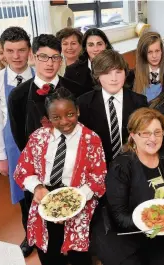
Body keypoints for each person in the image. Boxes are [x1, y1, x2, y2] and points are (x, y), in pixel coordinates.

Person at [13, 87, 106, 265]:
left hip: (77, 199)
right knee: (48, 253)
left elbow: (98, 177)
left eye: (70, 114)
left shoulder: (91, 139)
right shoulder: (38, 137)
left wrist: (73, 205)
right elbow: (23, 169)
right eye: (56, 117)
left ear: (78, 110)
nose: (64, 121)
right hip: (45, 198)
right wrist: (38, 188)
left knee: (79, 256)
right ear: (48, 118)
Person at [92, 108, 164, 265]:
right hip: (127, 239)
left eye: (157, 132)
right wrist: (152, 223)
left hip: (159, 236)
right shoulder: (121, 166)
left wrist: (163, 223)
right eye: (145, 133)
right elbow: (118, 216)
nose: (152, 138)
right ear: (132, 136)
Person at [0, 26, 35, 257]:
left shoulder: (40, 75)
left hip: (40, 142)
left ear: (29, 51)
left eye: (21, 50)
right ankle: (30, 234)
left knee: (44, 189)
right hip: (13, 146)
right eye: (10, 51)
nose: (16, 56)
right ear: (2, 53)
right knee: (23, 194)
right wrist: (0, 157)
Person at [8, 34, 86, 152]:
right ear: (33, 58)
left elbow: (83, 129)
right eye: (43, 57)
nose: (50, 63)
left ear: (60, 60)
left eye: (55, 57)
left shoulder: (77, 90)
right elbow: (20, 137)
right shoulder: (18, 95)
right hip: (37, 160)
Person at [78, 49, 148, 166]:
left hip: (133, 165)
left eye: (118, 72)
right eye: (107, 73)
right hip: (97, 167)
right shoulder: (83, 103)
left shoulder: (139, 101)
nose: (114, 78)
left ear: (125, 73)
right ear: (97, 75)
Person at [65, 28, 134, 92]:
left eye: (99, 44)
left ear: (106, 45)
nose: (96, 49)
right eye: (91, 45)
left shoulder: (122, 68)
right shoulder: (71, 71)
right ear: (85, 47)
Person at [133, 32, 164, 102]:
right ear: (143, 54)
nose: (154, 56)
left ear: (161, 51)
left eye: (157, 51)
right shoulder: (133, 76)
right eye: (150, 52)